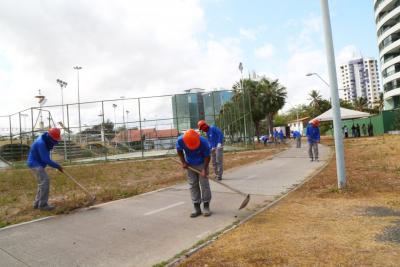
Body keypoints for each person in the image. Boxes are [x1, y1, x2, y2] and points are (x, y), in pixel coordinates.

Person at [176, 129, 212, 217]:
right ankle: (197, 207)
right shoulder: (181, 140)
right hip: (190, 164)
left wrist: (204, 169)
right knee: (193, 184)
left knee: (204, 184)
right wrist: (183, 162)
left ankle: (206, 206)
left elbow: (207, 156)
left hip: (202, 163)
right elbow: (179, 151)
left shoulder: (203, 142)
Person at [27, 128, 63, 211]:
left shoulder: (46, 140)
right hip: (35, 164)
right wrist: (58, 166)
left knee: (42, 184)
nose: (55, 141)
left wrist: (58, 166)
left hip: (37, 164)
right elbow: (46, 159)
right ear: (50, 137)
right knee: (45, 181)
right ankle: (43, 205)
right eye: (55, 139)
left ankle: (37, 203)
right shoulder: (41, 143)